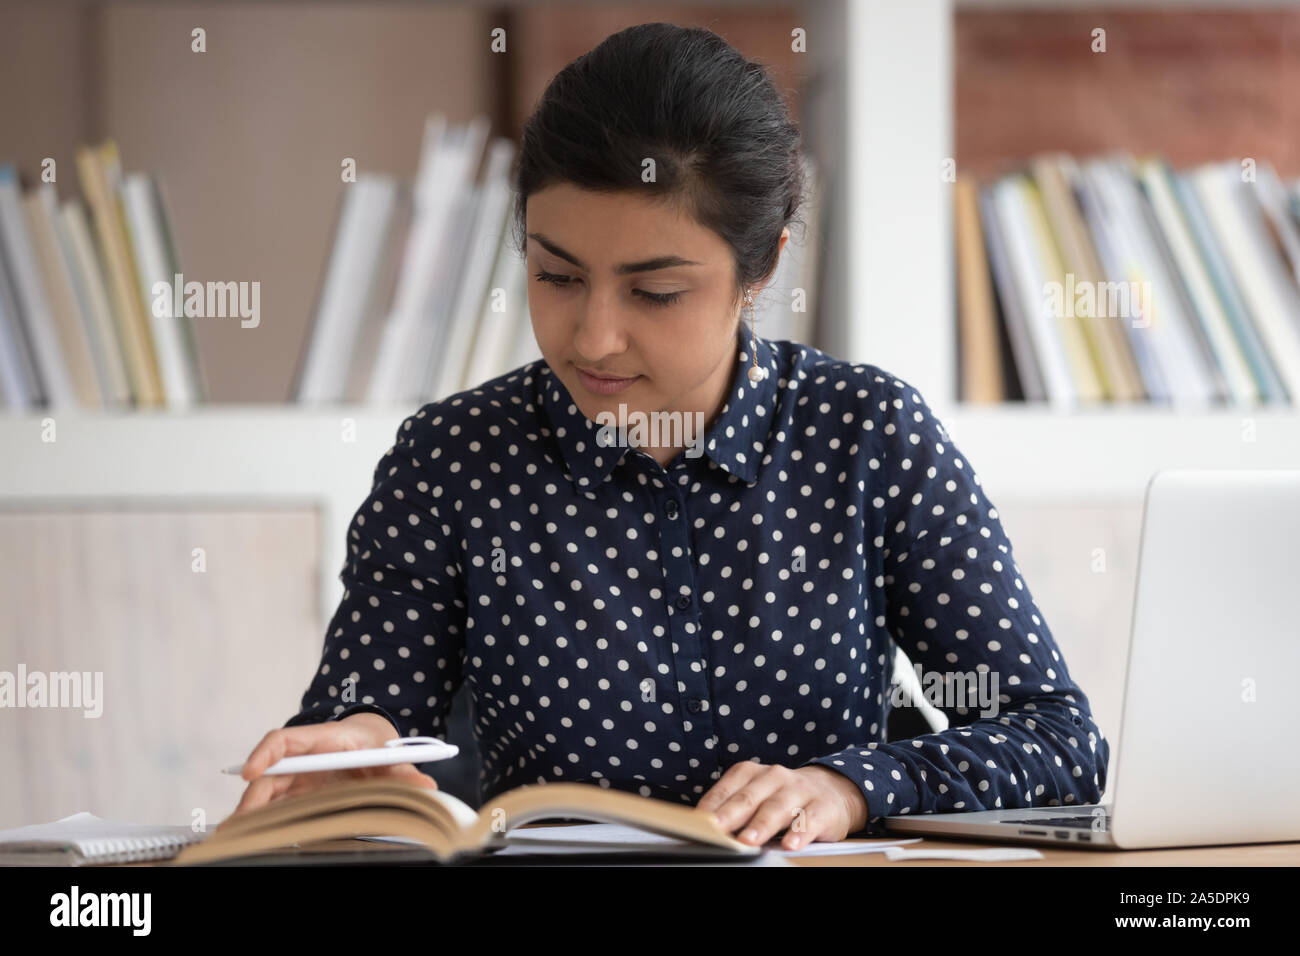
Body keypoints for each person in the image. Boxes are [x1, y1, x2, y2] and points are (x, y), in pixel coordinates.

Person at [231, 21, 1109, 851]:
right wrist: (351, 747)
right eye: (556, 275)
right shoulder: (453, 460)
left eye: (654, 292)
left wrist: (851, 787)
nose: (593, 337)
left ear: (761, 266)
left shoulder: (869, 435)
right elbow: (366, 718)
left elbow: (1057, 738)